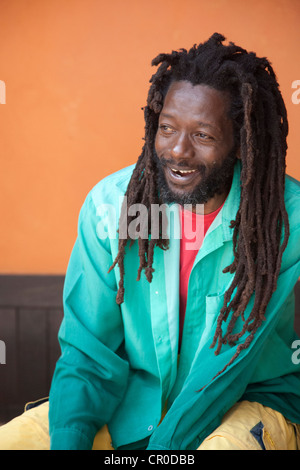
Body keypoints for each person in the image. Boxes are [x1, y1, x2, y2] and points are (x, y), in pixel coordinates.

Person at [1, 32, 300, 450]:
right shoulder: (113, 207)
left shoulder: (282, 218)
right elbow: (88, 351)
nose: (178, 151)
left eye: (203, 135)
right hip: (131, 402)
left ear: (241, 142)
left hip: (245, 402)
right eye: (167, 128)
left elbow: (224, 368)